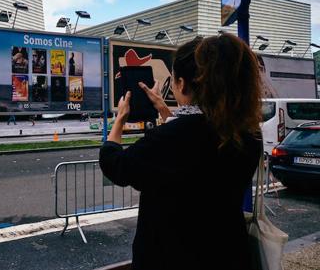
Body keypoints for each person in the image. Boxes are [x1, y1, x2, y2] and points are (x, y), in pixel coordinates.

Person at [99, 34, 263, 270]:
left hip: (172, 256)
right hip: (228, 254)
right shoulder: (248, 133)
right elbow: (197, 143)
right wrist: (164, 110)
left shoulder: (170, 139)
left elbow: (115, 165)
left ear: (182, 83)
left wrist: (120, 120)